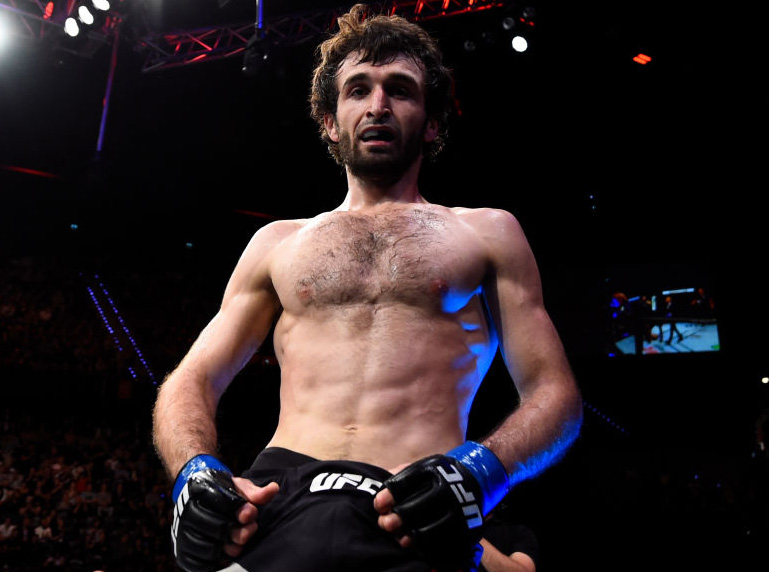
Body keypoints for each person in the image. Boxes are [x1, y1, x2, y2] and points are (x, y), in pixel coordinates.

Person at [151, 4, 583, 572]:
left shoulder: (487, 232)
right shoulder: (277, 243)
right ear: (330, 121)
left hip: (421, 503)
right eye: (358, 89)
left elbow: (557, 397)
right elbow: (193, 378)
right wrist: (193, 469)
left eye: (399, 90)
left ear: (431, 123)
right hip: (279, 498)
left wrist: (481, 470)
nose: (377, 106)